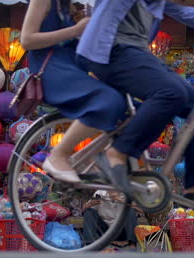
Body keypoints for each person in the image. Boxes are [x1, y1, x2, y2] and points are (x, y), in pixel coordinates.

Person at [76, 0, 194, 205]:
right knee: (171, 92)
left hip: (135, 52)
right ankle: (118, 152)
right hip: (110, 49)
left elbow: (188, 14)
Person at [20, 0, 126, 183]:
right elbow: (27, 40)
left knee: (131, 107)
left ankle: (88, 157)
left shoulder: (68, 6)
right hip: (52, 71)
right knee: (108, 100)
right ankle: (58, 155)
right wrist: (76, 30)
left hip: (73, 69)